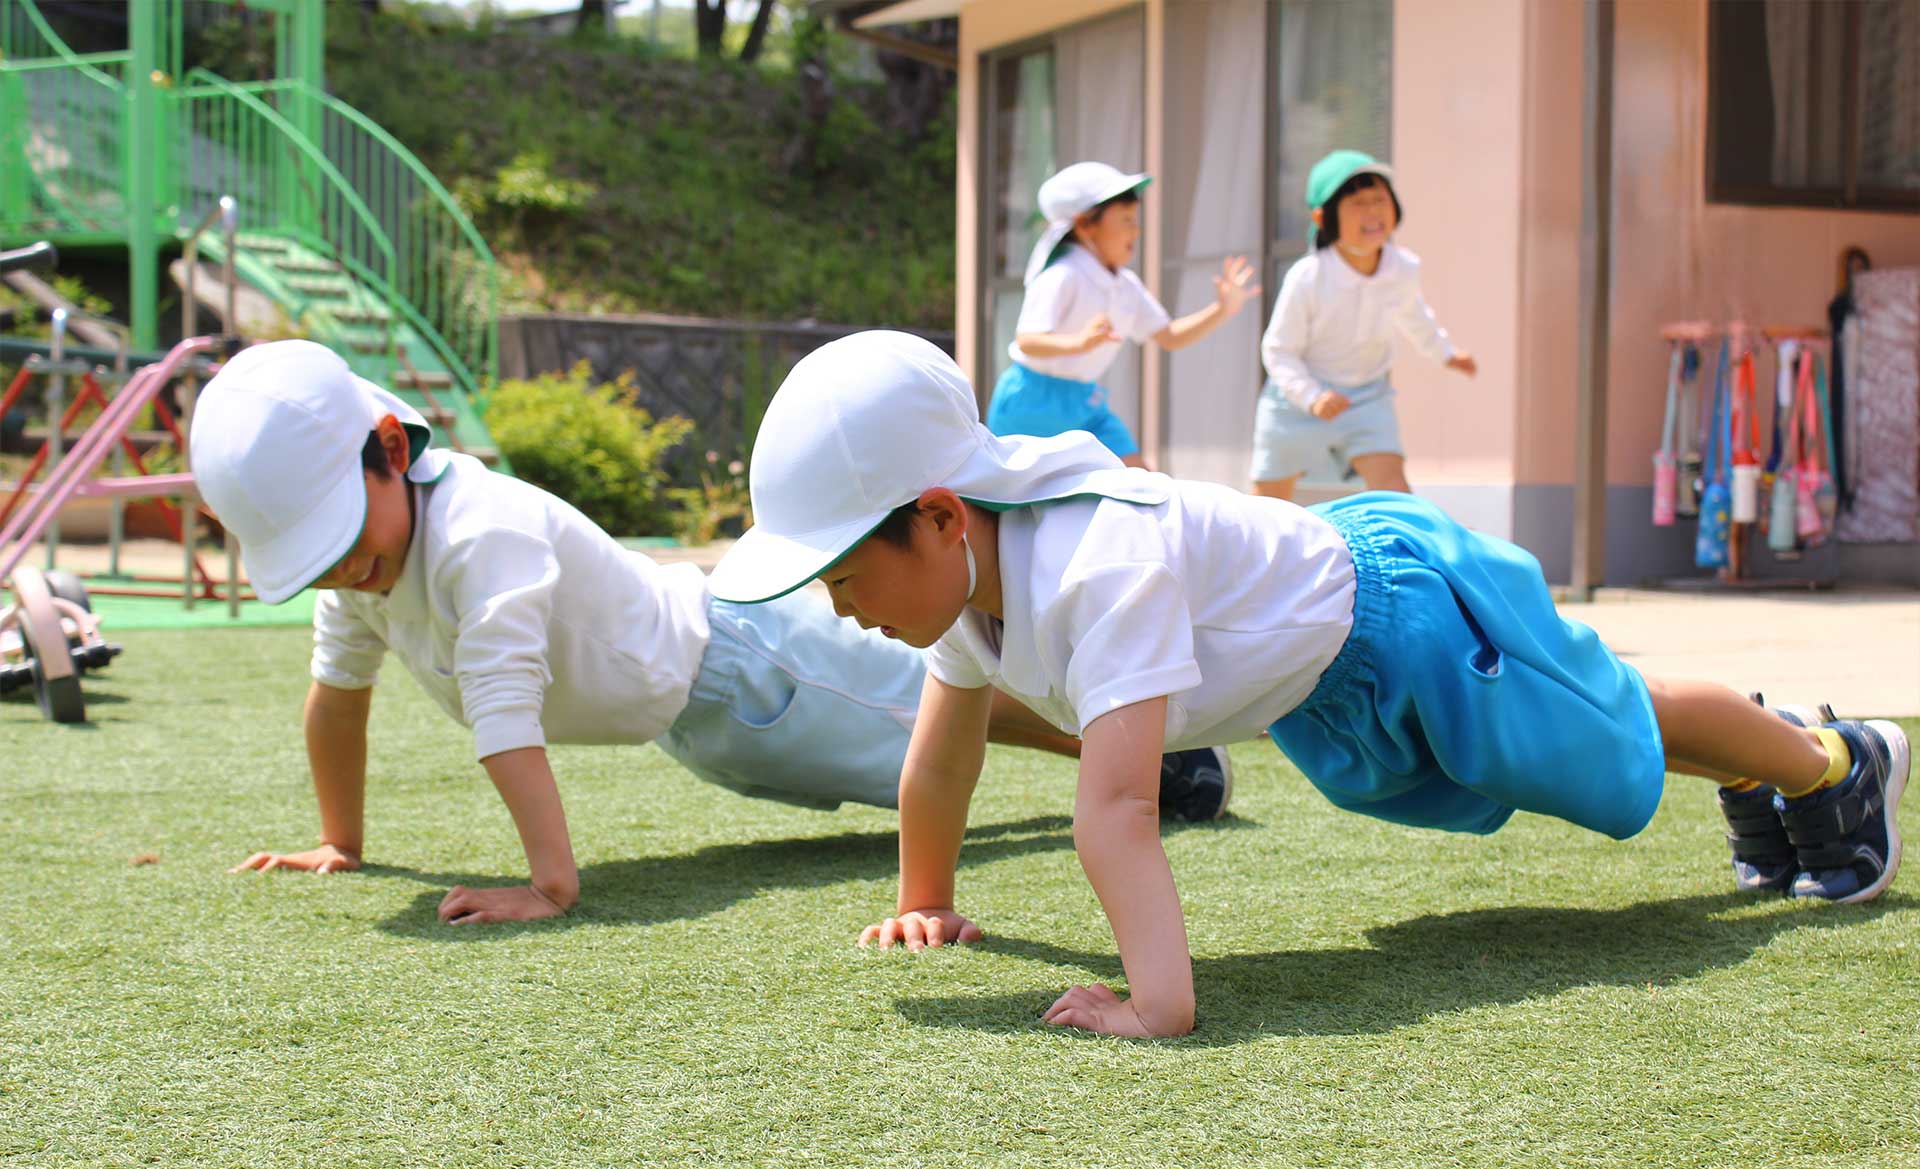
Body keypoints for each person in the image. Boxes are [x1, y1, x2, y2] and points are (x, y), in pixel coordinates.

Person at [706, 330, 1908, 1039]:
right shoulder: (971, 586)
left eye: (844, 570)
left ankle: (1833, 761)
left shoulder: (1091, 566)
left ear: (938, 516)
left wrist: (1158, 1004)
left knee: (1606, 735)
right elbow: (943, 752)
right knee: (1588, 746)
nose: (834, 603)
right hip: (1331, 683)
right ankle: (1773, 764)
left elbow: (1120, 805)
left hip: (1409, 621)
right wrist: (927, 893)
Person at [189, 342, 1233, 926]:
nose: (341, 572)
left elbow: (505, 707)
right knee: (937, 714)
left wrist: (550, 885)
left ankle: (1161, 753)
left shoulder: (478, 532)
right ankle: (1117, 736)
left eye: (338, 538)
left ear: (389, 447)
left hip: (749, 675)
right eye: (314, 559)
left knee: (940, 714)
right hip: (703, 721)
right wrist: (342, 840)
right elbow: (336, 690)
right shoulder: (366, 568)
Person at [985, 161, 1259, 468]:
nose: (1136, 230)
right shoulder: (1061, 275)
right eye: (1126, 219)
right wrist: (1081, 342)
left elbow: (1169, 336)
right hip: (1030, 402)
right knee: (1014, 503)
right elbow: (1028, 341)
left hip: (1086, 403)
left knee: (1143, 484)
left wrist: (1222, 310)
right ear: (1086, 225)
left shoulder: (1126, 285)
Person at [1253, 150, 1476, 501]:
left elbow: (1415, 316)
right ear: (1323, 217)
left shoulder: (1401, 269)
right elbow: (1278, 350)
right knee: (1268, 503)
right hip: (1296, 401)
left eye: (1379, 200)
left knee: (1395, 491)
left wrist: (1446, 353)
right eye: (1357, 203)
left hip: (1368, 396)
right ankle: (1247, 556)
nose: (1372, 211)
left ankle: (1407, 555)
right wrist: (1312, 397)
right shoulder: (1309, 277)